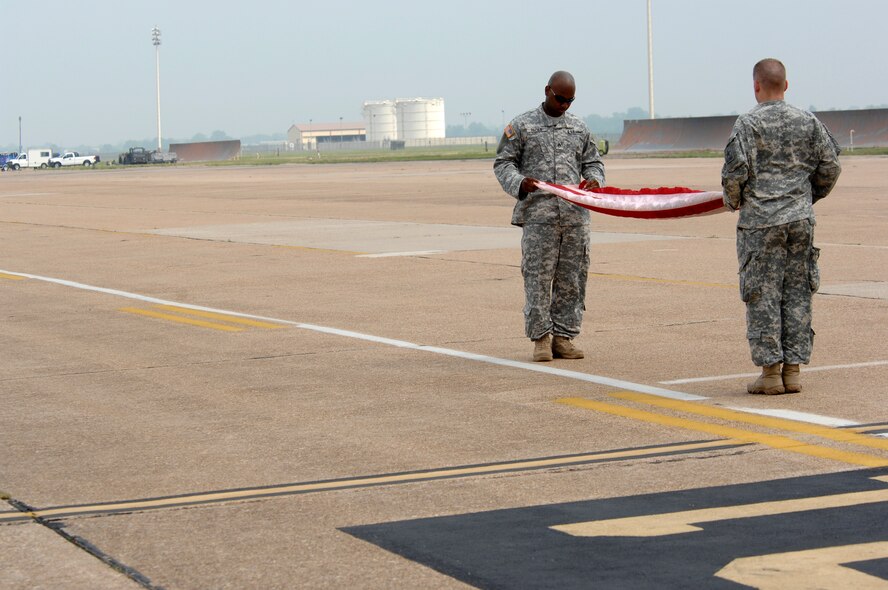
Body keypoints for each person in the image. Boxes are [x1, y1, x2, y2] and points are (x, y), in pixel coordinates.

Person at [722, 58, 841, 394]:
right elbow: (830, 167)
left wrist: (736, 201)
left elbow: (734, 173)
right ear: (786, 85)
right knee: (797, 293)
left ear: (756, 85)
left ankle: (771, 373)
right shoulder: (809, 122)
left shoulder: (747, 124)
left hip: (761, 224)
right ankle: (793, 370)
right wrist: (806, 197)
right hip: (799, 221)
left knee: (763, 294)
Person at [494, 71, 605, 362]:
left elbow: (593, 162)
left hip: (574, 218)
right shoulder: (522, 126)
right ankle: (541, 339)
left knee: (572, 280)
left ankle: (564, 337)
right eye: (560, 99)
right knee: (538, 279)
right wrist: (520, 183)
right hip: (539, 217)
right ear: (547, 91)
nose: (565, 105)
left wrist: (594, 179)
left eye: (570, 100)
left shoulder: (579, 128)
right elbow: (503, 163)